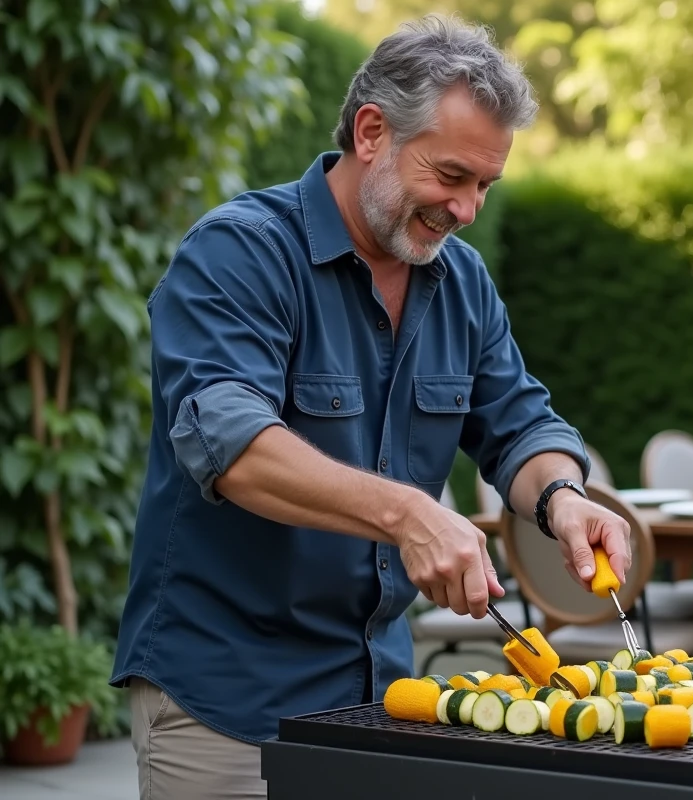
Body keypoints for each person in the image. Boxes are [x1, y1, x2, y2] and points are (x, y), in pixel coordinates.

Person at [110, 14, 631, 799]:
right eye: (451, 176)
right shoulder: (238, 253)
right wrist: (408, 514)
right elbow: (232, 445)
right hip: (226, 699)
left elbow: (520, 421)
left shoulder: (463, 282)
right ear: (372, 131)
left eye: (486, 186)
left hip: (384, 698)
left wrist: (562, 496)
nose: (467, 210)